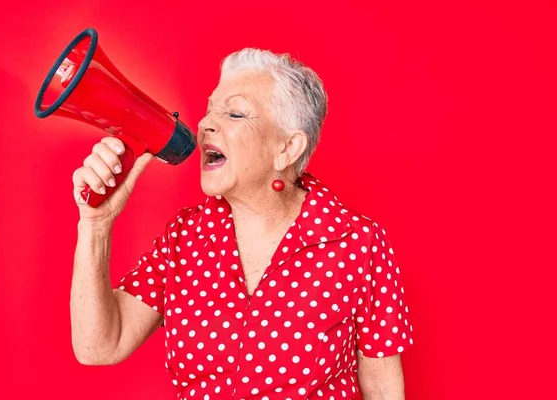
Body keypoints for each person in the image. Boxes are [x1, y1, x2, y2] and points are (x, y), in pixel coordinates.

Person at [70, 48, 414, 400]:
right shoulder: (184, 238)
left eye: (234, 113)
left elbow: (383, 388)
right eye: (209, 111)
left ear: (287, 148)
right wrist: (95, 224)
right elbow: (99, 346)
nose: (205, 124)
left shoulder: (357, 243)